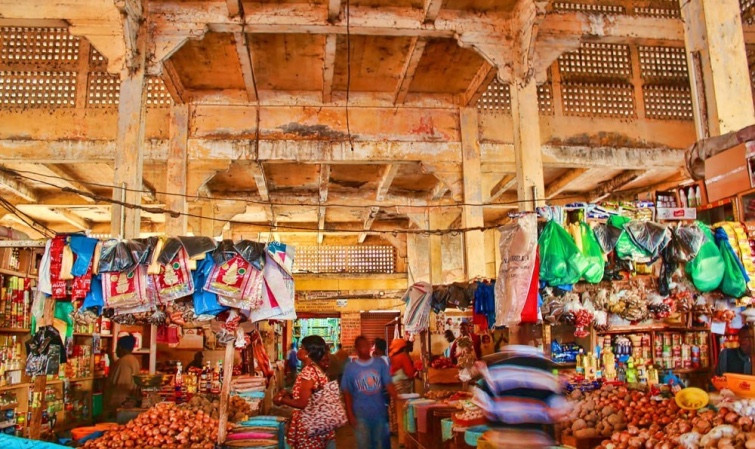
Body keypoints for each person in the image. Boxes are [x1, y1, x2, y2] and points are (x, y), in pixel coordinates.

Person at [471, 344, 570, 448]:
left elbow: (486, 408)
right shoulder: (544, 372)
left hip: (504, 438)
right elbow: (558, 411)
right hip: (534, 438)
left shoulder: (496, 370)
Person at [274, 335, 336, 449]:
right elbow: (310, 395)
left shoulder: (308, 372)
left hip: (308, 426)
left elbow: (303, 403)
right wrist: (290, 395)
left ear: (308, 352)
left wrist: (281, 400)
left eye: (301, 347)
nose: (299, 350)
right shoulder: (315, 369)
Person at [342, 335, 397, 449]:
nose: (366, 348)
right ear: (357, 349)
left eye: (367, 345)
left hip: (380, 412)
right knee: (364, 445)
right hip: (360, 415)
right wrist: (350, 414)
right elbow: (347, 393)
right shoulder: (350, 368)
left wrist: (398, 400)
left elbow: (388, 384)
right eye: (362, 346)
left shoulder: (380, 363)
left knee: (382, 444)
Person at [104, 335, 141, 418]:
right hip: (128, 404)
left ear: (120, 348)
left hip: (120, 406)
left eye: (117, 347)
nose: (116, 351)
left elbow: (119, 387)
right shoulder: (133, 360)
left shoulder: (123, 361)